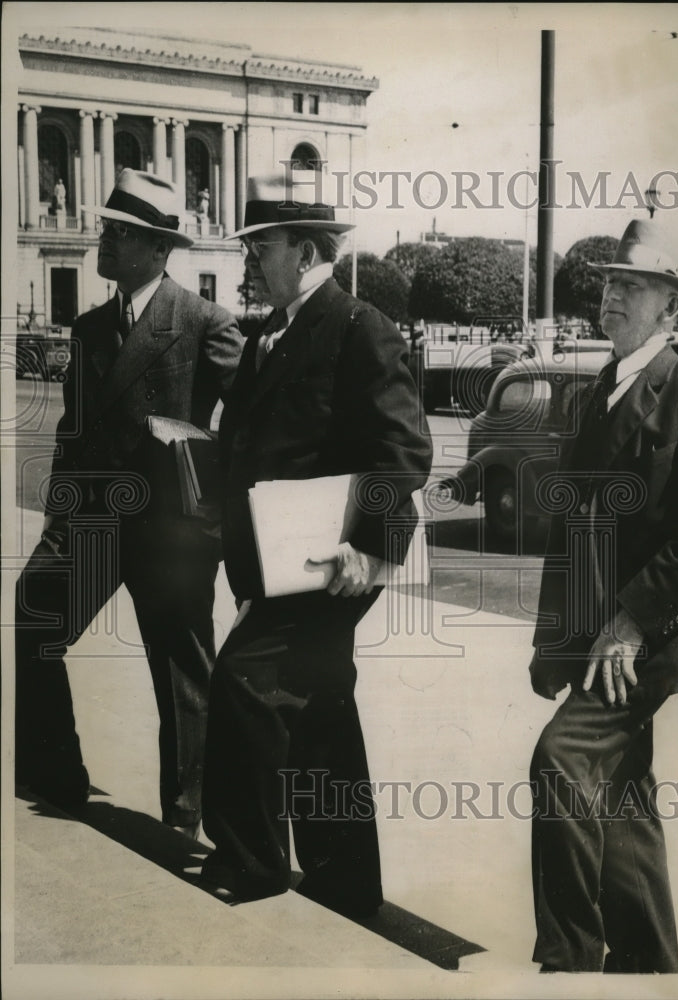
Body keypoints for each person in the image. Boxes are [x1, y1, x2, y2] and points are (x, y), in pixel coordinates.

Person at [199, 173, 433, 916]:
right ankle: (343, 881)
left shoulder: (359, 326)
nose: (248, 261)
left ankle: (254, 862)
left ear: (302, 251)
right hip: (278, 552)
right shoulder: (271, 330)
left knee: (244, 680)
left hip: (333, 556)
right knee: (322, 708)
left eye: (259, 247)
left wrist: (364, 551)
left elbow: (402, 452)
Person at [15, 169, 244, 838]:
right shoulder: (90, 328)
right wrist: (61, 517)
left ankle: (186, 810)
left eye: (115, 234)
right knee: (33, 618)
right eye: (104, 231)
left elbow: (253, 419)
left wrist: (199, 460)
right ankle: (54, 772)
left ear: (153, 246)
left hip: (169, 530)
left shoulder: (203, 321)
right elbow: (74, 432)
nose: (100, 244)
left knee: (180, 670)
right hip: (90, 520)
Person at [527, 219, 678, 973]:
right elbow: (573, 533)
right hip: (604, 633)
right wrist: (555, 642)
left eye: (631, 286)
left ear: (671, 310)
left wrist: (632, 624)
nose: (609, 295)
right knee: (619, 790)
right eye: (609, 282)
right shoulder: (601, 387)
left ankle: (568, 962)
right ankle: (645, 964)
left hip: (661, 631)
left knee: (560, 761)